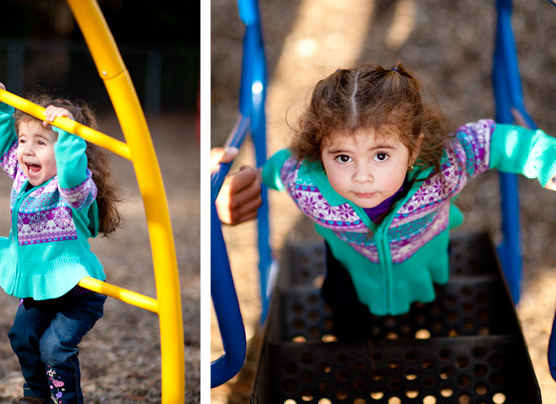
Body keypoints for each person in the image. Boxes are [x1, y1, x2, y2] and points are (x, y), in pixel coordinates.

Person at [216, 63, 556, 337]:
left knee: (431, 302)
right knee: (345, 311)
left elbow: (498, 141)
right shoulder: (307, 184)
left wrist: (547, 161)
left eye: (380, 155)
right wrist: (242, 180)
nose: (362, 177)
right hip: (350, 267)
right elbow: (274, 170)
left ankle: (426, 337)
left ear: (415, 149)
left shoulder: (444, 168)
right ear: (321, 153)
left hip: (426, 255)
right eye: (343, 158)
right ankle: (354, 354)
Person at [0, 78, 121, 404]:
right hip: (42, 288)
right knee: (22, 335)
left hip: (77, 293)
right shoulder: (21, 177)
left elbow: (74, 170)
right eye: (24, 140)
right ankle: (38, 391)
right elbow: (1, 147)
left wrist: (69, 134)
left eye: (41, 142)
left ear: (63, 153)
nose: (26, 150)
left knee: (54, 347)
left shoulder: (72, 190)